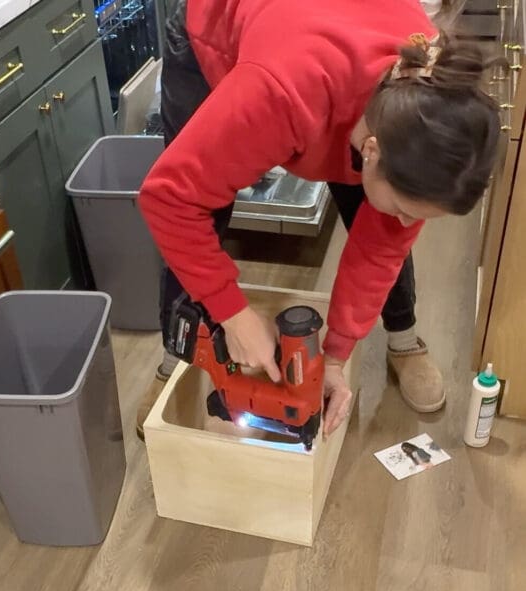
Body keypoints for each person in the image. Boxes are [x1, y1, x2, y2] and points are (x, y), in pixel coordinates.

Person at [137, 0, 500, 440]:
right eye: (407, 208)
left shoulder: (429, 109)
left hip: (324, 52)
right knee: (202, 206)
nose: (407, 222)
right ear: (370, 152)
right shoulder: (281, 93)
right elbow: (170, 199)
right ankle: (175, 359)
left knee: (385, 223)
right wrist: (232, 313)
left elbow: (380, 249)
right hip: (221, 33)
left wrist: (334, 357)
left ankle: (403, 338)